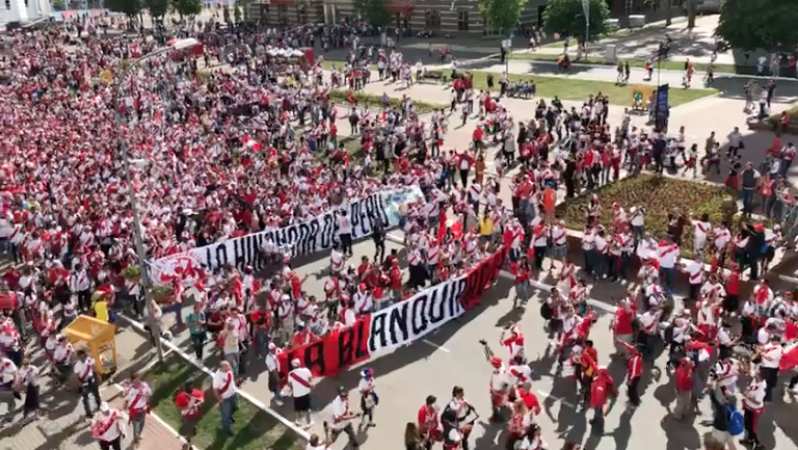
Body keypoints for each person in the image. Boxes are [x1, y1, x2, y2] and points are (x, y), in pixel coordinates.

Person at [124, 371, 152, 446]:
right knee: (136, 426)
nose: (138, 381)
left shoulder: (144, 385)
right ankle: (136, 437)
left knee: (142, 423)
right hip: (134, 411)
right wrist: (124, 409)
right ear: (132, 380)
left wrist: (147, 398)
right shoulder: (130, 390)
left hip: (142, 409)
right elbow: (126, 400)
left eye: (138, 378)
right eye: (136, 380)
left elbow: (149, 393)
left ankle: (138, 435)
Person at [175, 381, 204, 450]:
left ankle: (187, 442)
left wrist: (196, 404)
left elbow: (202, 400)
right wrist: (188, 407)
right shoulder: (182, 396)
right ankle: (187, 444)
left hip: (195, 415)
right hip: (187, 416)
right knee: (190, 430)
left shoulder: (197, 393)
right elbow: (180, 407)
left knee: (191, 429)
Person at [74, 347, 102, 418]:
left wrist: (98, 375)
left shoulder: (89, 360)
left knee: (96, 394)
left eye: (84, 356)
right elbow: (76, 376)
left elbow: (93, 368)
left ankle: (100, 405)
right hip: (84, 382)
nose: (84, 358)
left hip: (91, 379)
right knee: (86, 398)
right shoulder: (77, 366)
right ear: (79, 357)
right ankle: (88, 412)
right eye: (82, 357)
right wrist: (79, 384)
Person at [212, 361, 237, 435]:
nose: (229, 367)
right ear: (222, 368)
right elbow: (215, 389)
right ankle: (226, 428)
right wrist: (219, 399)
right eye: (227, 366)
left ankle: (230, 417)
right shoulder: (217, 377)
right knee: (225, 414)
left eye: (229, 365)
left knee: (232, 408)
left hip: (232, 394)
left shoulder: (229, 370)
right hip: (225, 398)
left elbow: (232, 380)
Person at [287, 358, 314, 428]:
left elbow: (289, 384)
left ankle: (297, 421)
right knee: (307, 408)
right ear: (300, 364)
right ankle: (309, 422)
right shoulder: (306, 370)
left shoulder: (291, 374)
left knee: (297, 408)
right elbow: (310, 379)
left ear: (292, 366)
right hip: (306, 392)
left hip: (297, 394)